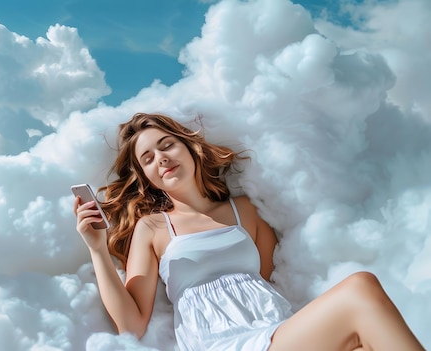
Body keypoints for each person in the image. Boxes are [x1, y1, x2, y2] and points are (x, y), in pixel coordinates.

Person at [73, 112, 424, 351]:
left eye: (166, 145)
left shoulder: (246, 211)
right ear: (145, 177)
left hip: (276, 334)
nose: (161, 158)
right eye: (147, 158)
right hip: (223, 344)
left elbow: (267, 281)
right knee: (360, 287)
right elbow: (131, 325)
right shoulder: (152, 228)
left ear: (189, 147)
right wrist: (97, 249)